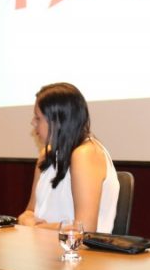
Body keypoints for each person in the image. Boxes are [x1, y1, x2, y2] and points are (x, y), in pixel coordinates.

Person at [17, 83, 119, 233]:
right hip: (43, 244)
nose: (32, 122)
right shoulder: (45, 155)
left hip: (78, 248)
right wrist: (26, 218)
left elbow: (84, 229)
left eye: (38, 118)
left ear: (57, 122)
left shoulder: (85, 154)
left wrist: (37, 227)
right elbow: (30, 211)